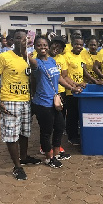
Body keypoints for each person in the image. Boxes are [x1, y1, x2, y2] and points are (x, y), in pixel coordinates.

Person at [29, 36, 80, 168]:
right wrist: (25, 51)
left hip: (54, 100)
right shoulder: (37, 62)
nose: (42, 47)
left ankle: (56, 154)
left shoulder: (52, 61)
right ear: (35, 47)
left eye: (44, 45)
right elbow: (32, 63)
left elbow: (59, 78)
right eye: (39, 45)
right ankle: (48, 157)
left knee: (59, 126)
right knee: (46, 131)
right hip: (42, 103)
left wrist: (72, 88)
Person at [0, 29, 42, 180]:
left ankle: (24, 158)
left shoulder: (27, 58)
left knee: (24, 132)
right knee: (12, 136)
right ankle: (17, 167)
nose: (21, 41)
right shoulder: (4, 57)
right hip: (9, 100)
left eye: (24, 39)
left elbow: (37, 68)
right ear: (12, 40)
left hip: (25, 100)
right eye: (18, 38)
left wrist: (26, 55)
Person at [64, 35, 87, 145]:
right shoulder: (67, 56)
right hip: (70, 91)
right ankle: (71, 137)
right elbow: (64, 76)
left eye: (81, 45)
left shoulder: (81, 56)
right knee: (72, 115)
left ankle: (76, 134)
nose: (79, 46)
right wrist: (74, 85)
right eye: (77, 44)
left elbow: (83, 72)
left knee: (78, 114)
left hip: (80, 90)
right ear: (72, 44)